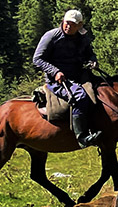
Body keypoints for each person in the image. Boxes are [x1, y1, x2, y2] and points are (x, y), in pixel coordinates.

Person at [33, 9, 101, 148]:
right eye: (66, 23)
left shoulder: (82, 37)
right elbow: (37, 59)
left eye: (73, 24)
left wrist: (93, 61)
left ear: (80, 25)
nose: (68, 26)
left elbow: (90, 53)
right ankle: (82, 137)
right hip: (58, 80)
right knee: (80, 96)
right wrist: (55, 72)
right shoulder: (52, 36)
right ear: (63, 21)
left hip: (79, 75)